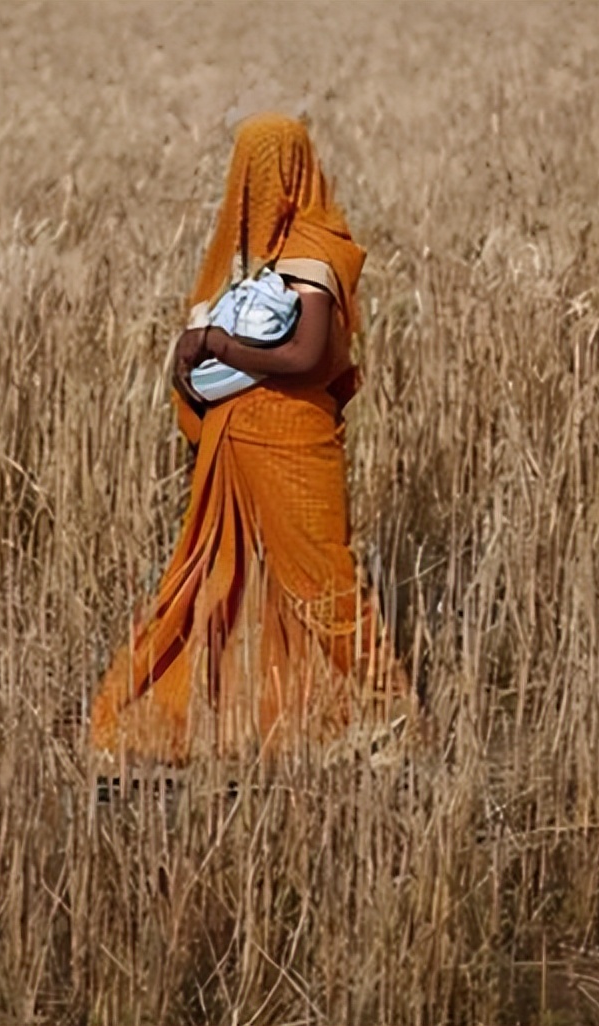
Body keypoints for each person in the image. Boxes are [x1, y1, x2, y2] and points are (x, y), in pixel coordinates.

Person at [90, 113, 408, 764]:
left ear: (289, 172)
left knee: (323, 579)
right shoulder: (263, 259)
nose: (251, 186)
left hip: (289, 443)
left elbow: (307, 357)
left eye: (260, 171)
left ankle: (389, 711)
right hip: (242, 438)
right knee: (214, 575)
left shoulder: (311, 250)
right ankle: (240, 719)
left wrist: (212, 343)